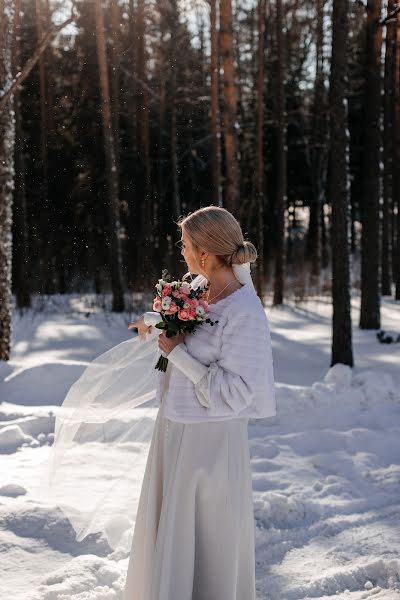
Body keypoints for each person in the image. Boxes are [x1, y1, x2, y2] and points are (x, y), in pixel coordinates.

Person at [123, 205, 276, 600]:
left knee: (207, 538)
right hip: (175, 430)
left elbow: (237, 392)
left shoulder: (245, 313)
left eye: (186, 244)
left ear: (206, 252)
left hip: (211, 446)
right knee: (170, 527)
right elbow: (179, 320)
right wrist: (152, 321)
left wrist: (176, 354)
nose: (181, 252)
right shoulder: (200, 288)